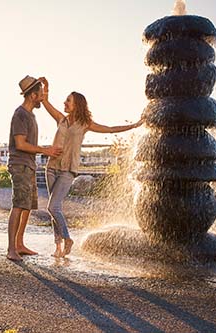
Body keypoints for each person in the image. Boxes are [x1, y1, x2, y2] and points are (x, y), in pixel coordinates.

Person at [40, 77, 143, 258]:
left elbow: (110, 129)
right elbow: (45, 102)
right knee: (53, 209)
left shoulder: (85, 124)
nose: (64, 103)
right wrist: (46, 88)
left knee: (53, 207)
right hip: (51, 167)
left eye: (68, 101)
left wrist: (134, 125)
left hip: (67, 170)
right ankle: (58, 246)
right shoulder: (61, 120)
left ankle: (67, 239)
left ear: (76, 104)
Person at [6, 75, 62, 261]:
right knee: (18, 205)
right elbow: (20, 144)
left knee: (27, 206)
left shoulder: (30, 113)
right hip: (20, 164)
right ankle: (11, 249)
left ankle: (19, 244)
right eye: (39, 94)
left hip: (28, 164)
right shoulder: (20, 114)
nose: (42, 97)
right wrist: (45, 150)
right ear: (32, 96)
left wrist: (46, 85)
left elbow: (44, 97)